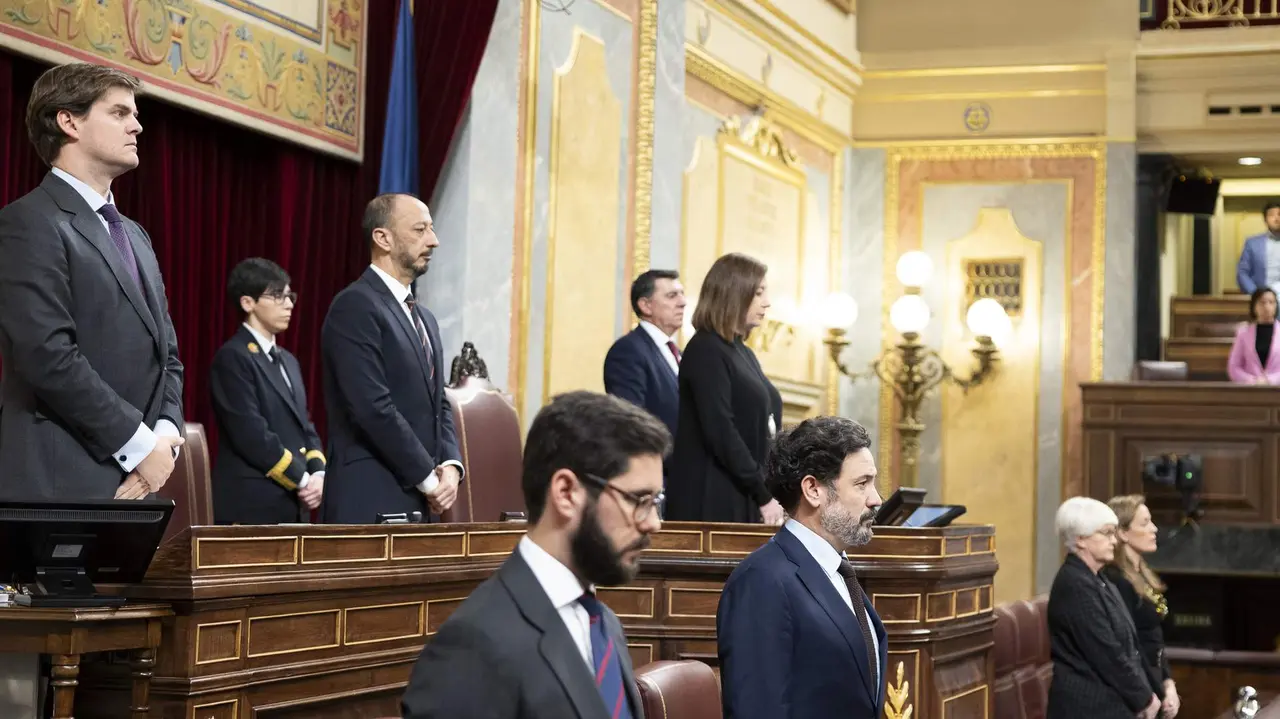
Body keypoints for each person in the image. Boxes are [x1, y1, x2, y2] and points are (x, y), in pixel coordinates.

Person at [401, 391, 667, 718]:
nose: (653, 523)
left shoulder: (604, 625)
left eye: (656, 502)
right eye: (639, 500)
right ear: (566, 493)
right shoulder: (473, 645)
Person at [0, 62, 184, 501]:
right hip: (61, 483)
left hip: (140, 482)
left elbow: (168, 357)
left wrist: (164, 441)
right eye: (119, 113)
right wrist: (138, 446)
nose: (137, 126)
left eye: (134, 114)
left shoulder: (135, 235)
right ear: (68, 121)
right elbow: (46, 355)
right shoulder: (28, 221)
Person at [717, 416, 886, 719]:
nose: (876, 499)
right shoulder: (762, 582)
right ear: (813, 490)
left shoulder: (838, 570)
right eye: (862, 484)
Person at [320, 193, 463, 524]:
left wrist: (452, 467)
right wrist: (428, 479)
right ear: (382, 238)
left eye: (432, 229)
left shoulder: (424, 317)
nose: (434, 241)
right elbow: (372, 407)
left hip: (422, 501)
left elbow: (438, 401)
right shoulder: (355, 305)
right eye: (420, 230)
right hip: (370, 500)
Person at [666, 252, 785, 524]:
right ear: (734, 294)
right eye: (758, 293)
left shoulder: (742, 352)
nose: (766, 303)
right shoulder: (705, 350)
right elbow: (720, 430)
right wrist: (762, 494)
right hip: (714, 498)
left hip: (746, 492)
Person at [209, 259, 326, 524]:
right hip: (253, 505)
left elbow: (304, 425)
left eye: (289, 295)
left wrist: (318, 474)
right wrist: (303, 479)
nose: (289, 304)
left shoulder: (289, 360)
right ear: (248, 303)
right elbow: (251, 434)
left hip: (294, 503)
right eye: (277, 296)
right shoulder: (233, 357)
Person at [1046, 497, 1161, 719]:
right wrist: (1143, 698)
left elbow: (1129, 645)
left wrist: (1150, 692)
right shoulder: (1074, 584)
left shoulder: (1099, 579)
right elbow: (1106, 651)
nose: (1114, 541)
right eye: (1106, 533)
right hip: (1088, 708)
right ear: (1080, 539)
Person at [1105, 495, 1179, 718]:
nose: (1154, 529)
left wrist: (1168, 683)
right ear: (1123, 533)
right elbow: (1127, 646)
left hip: (1155, 682)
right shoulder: (1116, 580)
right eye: (1145, 523)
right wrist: (1147, 694)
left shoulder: (1143, 575)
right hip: (1135, 693)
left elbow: (1154, 637)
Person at [603, 269, 686, 448]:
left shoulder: (678, 353)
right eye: (672, 296)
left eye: (682, 294)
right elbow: (631, 425)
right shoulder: (628, 351)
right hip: (659, 469)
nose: (683, 303)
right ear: (645, 306)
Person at [1227, 287, 1280, 384]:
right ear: (1254, 306)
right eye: (1262, 302)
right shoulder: (1243, 333)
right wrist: (1252, 381)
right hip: (1250, 391)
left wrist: (1269, 380)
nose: (1267, 306)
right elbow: (1234, 367)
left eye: (1271, 302)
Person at [1235, 200, 1280, 294]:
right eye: (1271, 215)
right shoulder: (1252, 243)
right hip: (1260, 298)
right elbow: (1242, 273)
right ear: (1265, 220)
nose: (1276, 218)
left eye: (1279, 214)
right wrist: (1256, 294)